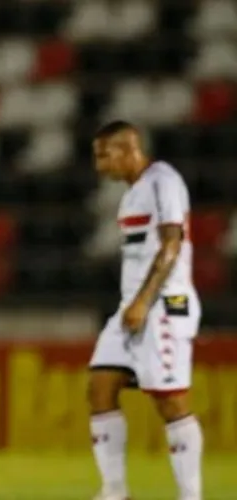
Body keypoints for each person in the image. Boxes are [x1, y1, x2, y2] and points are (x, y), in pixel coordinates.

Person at [88, 121, 202, 500]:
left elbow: (172, 244)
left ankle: (191, 496)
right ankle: (115, 492)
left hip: (164, 304)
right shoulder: (132, 192)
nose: (99, 164)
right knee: (101, 386)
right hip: (132, 307)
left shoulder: (163, 180)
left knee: (170, 401)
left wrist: (143, 300)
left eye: (104, 154)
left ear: (127, 150)